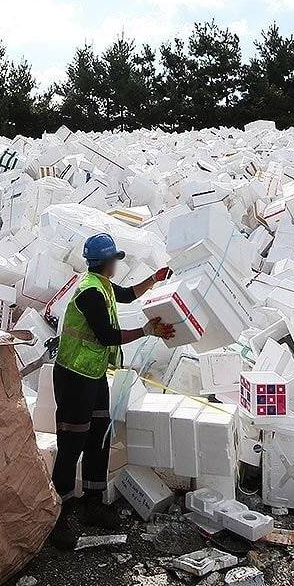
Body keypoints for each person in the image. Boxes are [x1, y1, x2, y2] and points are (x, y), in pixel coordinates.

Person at [49, 232, 174, 550]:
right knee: (71, 446)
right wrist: (147, 330)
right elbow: (106, 335)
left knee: (98, 437)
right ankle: (56, 517)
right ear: (108, 262)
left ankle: (93, 502)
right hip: (75, 378)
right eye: (115, 259)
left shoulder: (100, 285)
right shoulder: (89, 292)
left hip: (92, 376)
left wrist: (154, 280)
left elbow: (128, 296)